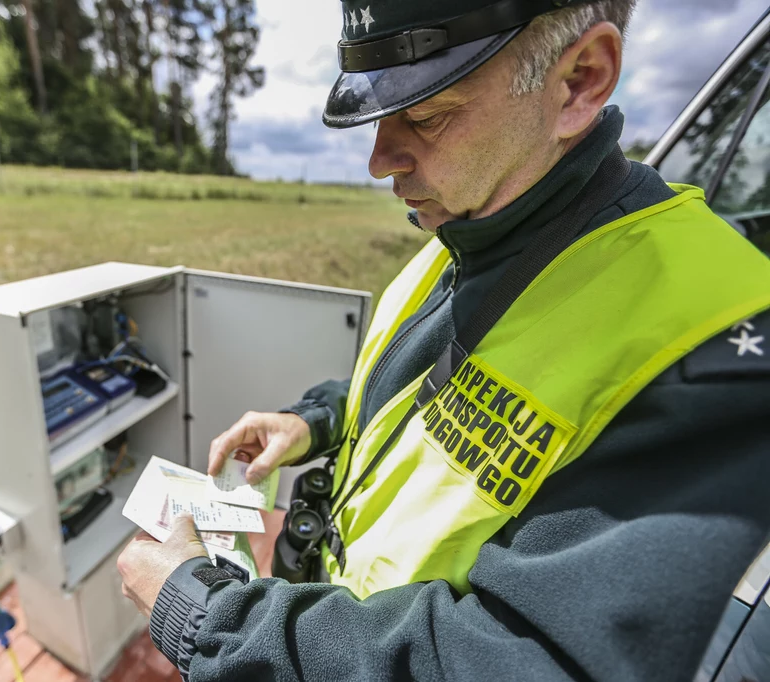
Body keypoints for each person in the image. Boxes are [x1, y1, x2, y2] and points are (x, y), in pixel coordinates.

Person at [117, 0, 770, 679]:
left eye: (425, 115)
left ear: (580, 78)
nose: (378, 161)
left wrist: (206, 617)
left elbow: (523, 659)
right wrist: (313, 422)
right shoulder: (470, 226)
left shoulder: (714, 341)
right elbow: (418, 394)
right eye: (378, 117)